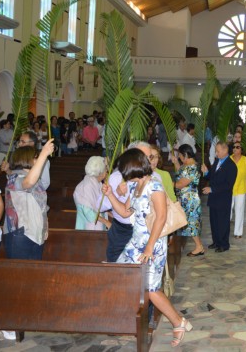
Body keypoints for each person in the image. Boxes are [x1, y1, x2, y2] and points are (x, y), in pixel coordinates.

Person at [101, 148, 192, 347]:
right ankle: (128, 321)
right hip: (136, 243)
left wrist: (150, 247)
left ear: (134, 168)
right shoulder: (135, 187)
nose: (123, 176)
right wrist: (110, 195)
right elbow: (125, 213)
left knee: (151, 290)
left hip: (153, 244)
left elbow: (161, 217)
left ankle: (178, 322)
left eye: (125, 171)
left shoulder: (155, 187)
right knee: (120, 274)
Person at [3, 139, 55, 260]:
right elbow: (28, 183)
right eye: (36, 158)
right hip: (19, 233)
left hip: (35, 232)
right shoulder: (15, 177)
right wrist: (43, 154)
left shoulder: (34, 179)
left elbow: (42, 206)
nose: (39, 161)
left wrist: (45, 227)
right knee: (19, 275)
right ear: (26, 159)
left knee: (33, 274)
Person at [202, 141, 237, 253]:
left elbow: (228, 185)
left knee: (223, 222)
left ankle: (224, 244)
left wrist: (211, 189)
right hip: (214, 198)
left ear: (225, 150)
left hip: (223, 198)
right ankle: (216, 241)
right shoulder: (217, 161)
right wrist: (206, 172)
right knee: (214, 221)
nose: (216, 154)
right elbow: (212, 176)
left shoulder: (231, 166)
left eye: (218, 151)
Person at [172, 144, 204, 256]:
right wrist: (176, 162)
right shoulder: (186, 165)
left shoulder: (192, 167)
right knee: (190, 223)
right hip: (185, 198)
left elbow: (180, 184)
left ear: (185, 155)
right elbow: (180, 173)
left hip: (190, 199)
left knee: (191, 223)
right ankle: (199, 246)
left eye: (180, 156)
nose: (180, 158)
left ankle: (199, 247)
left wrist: (166, 183)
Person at [73, 156, 110, 230]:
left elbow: (98, 206)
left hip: (96, 223)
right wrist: (106, 222)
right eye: (106, 169)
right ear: (101, 172)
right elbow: (88, 212)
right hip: (88, 228)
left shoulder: (97, 182)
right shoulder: (87, 185)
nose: (107, 171)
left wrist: (109, 214)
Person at [230, 140, 246, 239]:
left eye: (238, 147)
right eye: (234, 147)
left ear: (241, 149)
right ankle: (225, 227)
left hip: (241, 188)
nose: (235, 149)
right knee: (228, 210)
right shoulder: (229, 159)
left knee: (239, 210)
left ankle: (238, 232)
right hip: (229, 188)